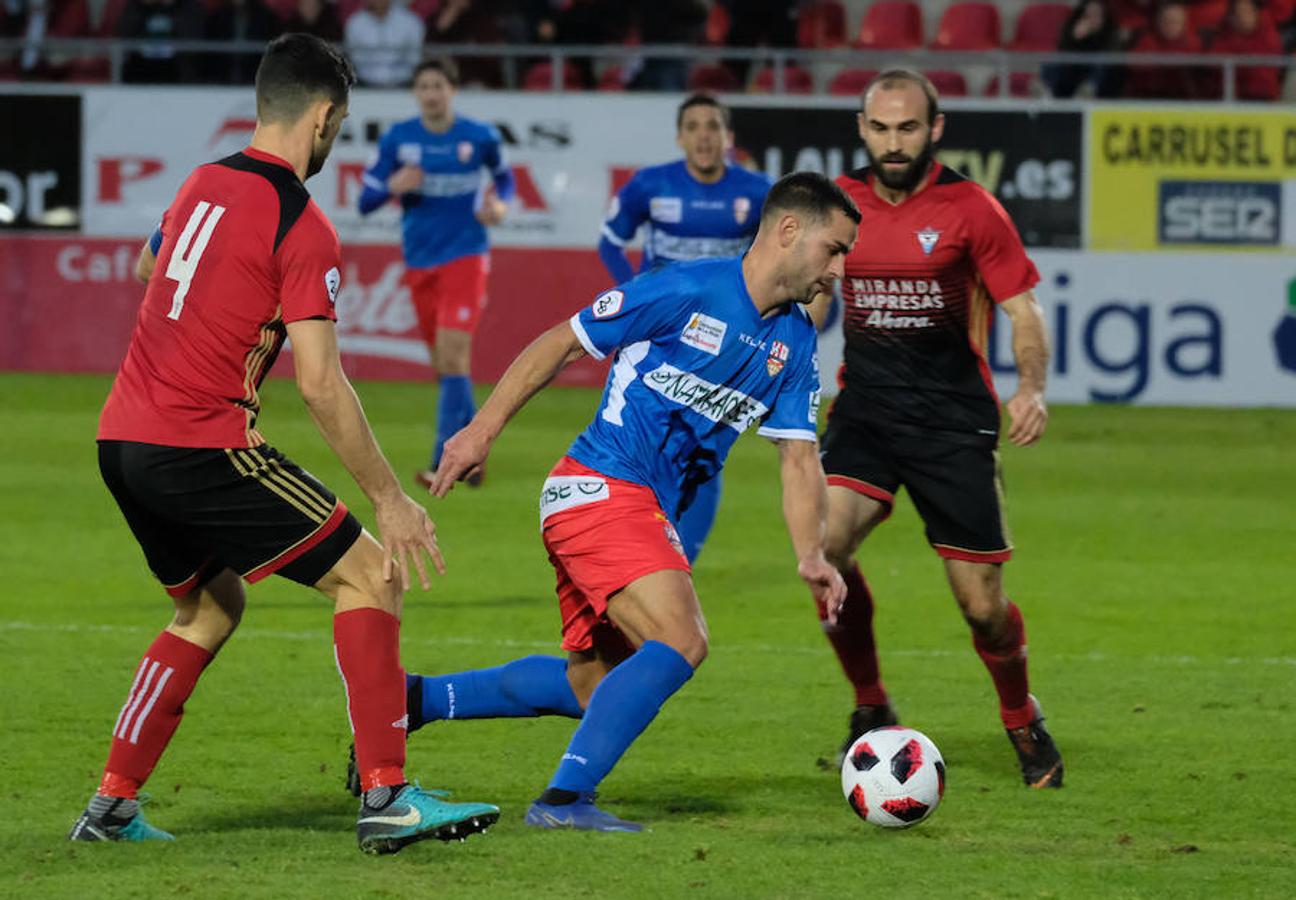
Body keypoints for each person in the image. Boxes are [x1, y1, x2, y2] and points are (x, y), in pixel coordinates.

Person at [69, 33, 499, 855]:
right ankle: (388, 797)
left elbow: (143, 265)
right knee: (372, 574)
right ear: (327, 116)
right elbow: (321, 383)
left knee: (207, 606)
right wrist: (390, 496)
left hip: (121, 438)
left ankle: (111, 806)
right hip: (201, 442)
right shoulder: (301, 222)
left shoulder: (202, 180)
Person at [350, 172, 857, 831]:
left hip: (630, 508)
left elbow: (797, 457)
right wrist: (481, 430)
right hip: (600, 488)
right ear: (789, 230)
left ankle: (412, 700)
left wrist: (812, 553)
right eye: (835, 249)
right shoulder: (684, 288)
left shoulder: (792, 343)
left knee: (593, 685)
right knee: (682, 639)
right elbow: (564, 339)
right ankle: (563, 802)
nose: (839, 270)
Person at [815, 70, 1064, 789]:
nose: (894, 143)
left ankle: (1020, 715)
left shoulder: (971, 209)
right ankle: (870, 709)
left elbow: (1024, 311)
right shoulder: (841, 203)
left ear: (936, 128)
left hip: (953, 425)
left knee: (983, 610)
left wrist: (1033, 389)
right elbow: (806, 294)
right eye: (881, 128)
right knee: (823, 552)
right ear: (863, 128)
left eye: (908, 128)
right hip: (864, 414)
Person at [598, 94, 772, 561]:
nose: (704, 136)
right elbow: (610, 241)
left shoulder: (758, 193)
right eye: (693, 126)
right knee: (636, 440)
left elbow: (775, 260)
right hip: (657, 338)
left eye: (713, 126)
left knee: (702, 449)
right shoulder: (651, 185)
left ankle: (678, 558)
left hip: (723, 346)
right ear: (680, 136)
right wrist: (637, 297)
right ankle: (629, 545)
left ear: (727, 137)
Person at [358, 56, 514, 489]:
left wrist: (500, 205)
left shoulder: (479, 137)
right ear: (416, 93)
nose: (431, 93)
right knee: (445, 367)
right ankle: (475, 457)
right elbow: (365, 200)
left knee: (453, 357)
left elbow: (506, 179)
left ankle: (441, 461)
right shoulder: (399, 139)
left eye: (438, 86)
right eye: (423, 86)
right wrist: (392, 187)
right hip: (420, 261)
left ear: (453, 91)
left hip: (466, 256)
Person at [343, 0, 425, 87]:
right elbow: (356, 59)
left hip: (404, 84)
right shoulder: (355, 22)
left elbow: (414, 58)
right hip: (364, 85)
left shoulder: (411, 21)